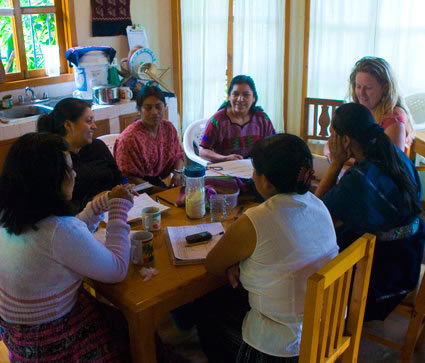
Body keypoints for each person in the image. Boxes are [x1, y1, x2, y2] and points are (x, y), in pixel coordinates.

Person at [196, 134, 339, 362]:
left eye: (254, 171)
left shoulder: (256, 220)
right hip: (322, 329)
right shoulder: (317, 204)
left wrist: (236, 261)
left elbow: (213, 264)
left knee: (205, 305)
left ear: (267, 182)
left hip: (281, 350)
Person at [0, 132, 135, 361]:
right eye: (69, 169)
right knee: (125, 324)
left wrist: (96, 206)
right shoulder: (60, 231)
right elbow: (117, 269)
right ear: (50, 180)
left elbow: (60, 242)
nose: (74, 174)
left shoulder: (10, 215)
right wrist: (119, 210)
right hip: (55, 338)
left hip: (19, 335)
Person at [316, 103, 425, 321]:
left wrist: (336, 163)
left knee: (314, 253)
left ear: (345, 140)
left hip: (384, 279)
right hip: (410, 255)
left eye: (332, 135)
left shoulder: (359, 180)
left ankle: (327, 323)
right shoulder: (392, 152)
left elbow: (316, 216)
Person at [37, 98, 122, 210]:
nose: (94, 126)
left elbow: (118, 179)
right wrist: (96, 202)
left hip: (113, 208)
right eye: (88, 121)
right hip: (80, 218)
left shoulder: (97, 146)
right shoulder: (53, 158)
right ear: (68, 125)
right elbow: (58, 206)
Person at [114, 85, 184, 187]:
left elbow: (179, 155)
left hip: (156, 182)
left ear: (165, 107)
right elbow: (127, 178)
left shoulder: (168, 128)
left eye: (158, 107)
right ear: (139, 110)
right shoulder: (129, 138)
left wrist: (177, 175)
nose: (154, 112)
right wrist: (160, 191)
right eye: (148, 108)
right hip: (133, 189)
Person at [199, 75, 275, 162]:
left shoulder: (262, 119)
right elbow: (203, 151)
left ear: (254, 98)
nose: (240, 99)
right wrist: (225, 158)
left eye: (246, 95)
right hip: (225, 168)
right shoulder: (218, 120)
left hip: (256, 168)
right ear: (229, 97)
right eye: (235, 94)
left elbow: (273, 146)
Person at [349, 56, 414, 152]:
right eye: (358, 86)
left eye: (368, 88)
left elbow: (390, 162)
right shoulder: (358, 110)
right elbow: (330, 146)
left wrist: (346, 159)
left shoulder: (394, 118)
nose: (361, 93)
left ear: (385, 88)